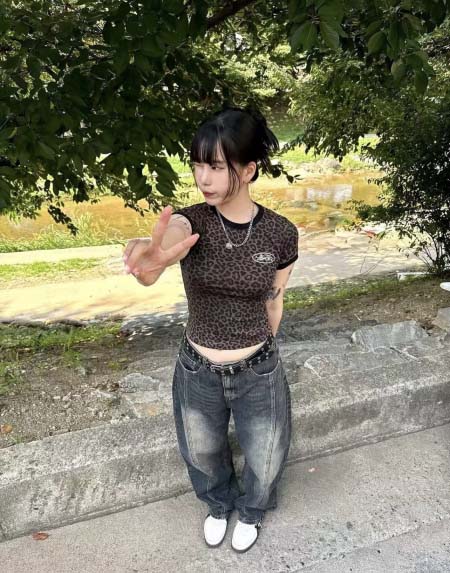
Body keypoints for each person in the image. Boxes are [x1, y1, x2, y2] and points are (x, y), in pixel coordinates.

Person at [123, 107, 299, 553]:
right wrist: (150, 255)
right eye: (198, 165)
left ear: (248, 169)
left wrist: (263, 350)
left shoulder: (280, 233)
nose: (203, 178)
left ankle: (253, 511)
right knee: (201, 453)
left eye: (217, 167)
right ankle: (218, 505)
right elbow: (165, 245)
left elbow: (274, 298)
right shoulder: (192, 222)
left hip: (258, 368)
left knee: (266, 455)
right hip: (197, 368)